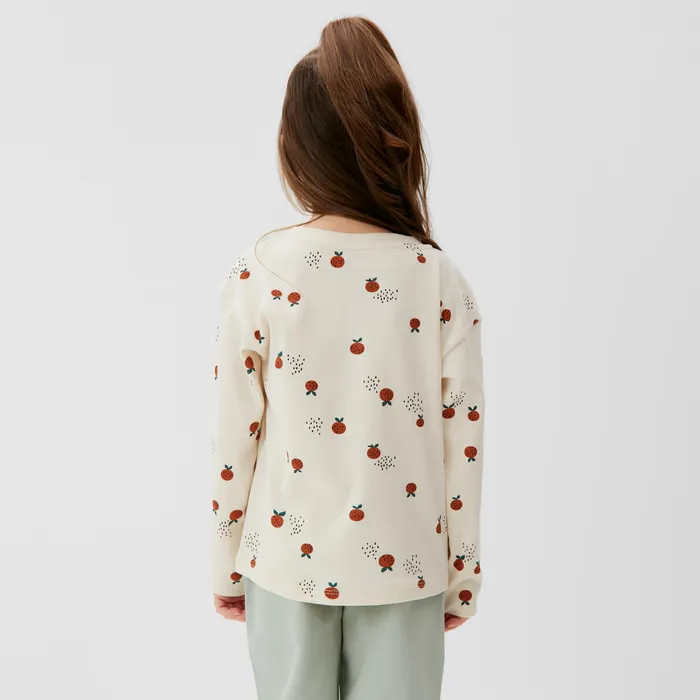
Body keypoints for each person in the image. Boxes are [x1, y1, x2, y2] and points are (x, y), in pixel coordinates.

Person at [210, 16, 485, 700]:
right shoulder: (436, 278)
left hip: (282, 565)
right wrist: (462, 574)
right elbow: (463, 443)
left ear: (294, 149)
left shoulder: (261, 270)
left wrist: (225, 562)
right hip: (405, 567)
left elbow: (235, 436)